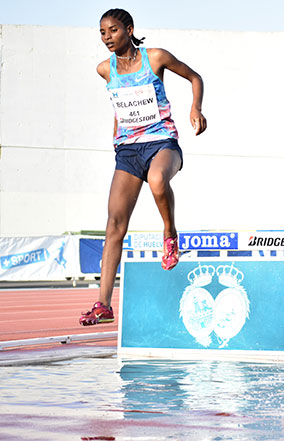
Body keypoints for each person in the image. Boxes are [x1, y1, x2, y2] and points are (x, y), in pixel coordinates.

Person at [80, 8, 207, 326]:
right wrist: (116, 136)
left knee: (157, 181)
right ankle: (103, 304)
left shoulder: (156, 57)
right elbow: (120, 104)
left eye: (113, 30)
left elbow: (195, 77)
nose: (107, 37)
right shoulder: (104, 70)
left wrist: (196, 108)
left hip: (162, 143)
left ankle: (170, 233)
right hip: (128, 151)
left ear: (129, 29)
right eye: (102, 33)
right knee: (114, 226)